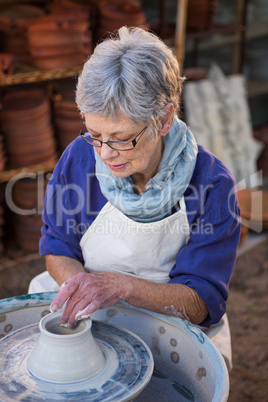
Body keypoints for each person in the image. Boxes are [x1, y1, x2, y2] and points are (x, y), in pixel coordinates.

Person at [29, 27, 241, 370]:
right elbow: (57, 246)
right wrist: (79, 288)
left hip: (172, 324)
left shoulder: (212, 185)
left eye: (121, 138)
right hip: (91, 313)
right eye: (95, 134)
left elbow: (200, 301)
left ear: (164, 119)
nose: (105, 153)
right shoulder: (79, 158)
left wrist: (120, 287)